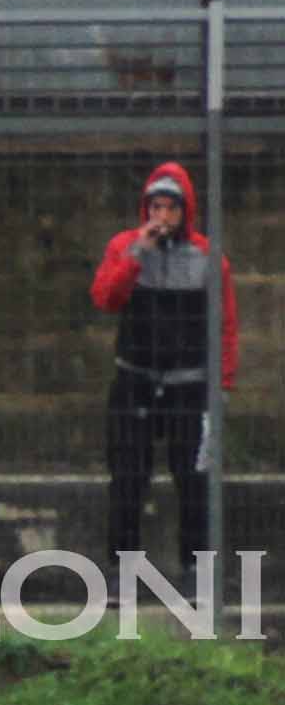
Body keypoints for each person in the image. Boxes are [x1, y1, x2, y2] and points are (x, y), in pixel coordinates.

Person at [90, 163, 239, 577]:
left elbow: (225, 325)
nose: (162, 216)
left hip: (189, 387)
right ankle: (122, 569)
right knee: (127, 478)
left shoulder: (210, 259)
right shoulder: (125, 246)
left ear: (185, 210)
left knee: (194, 481)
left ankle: (196, 570)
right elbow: (105, 297)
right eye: (155, 207)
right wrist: (138, 253)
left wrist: (222, 385)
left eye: (170, 208)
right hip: (134, 380)